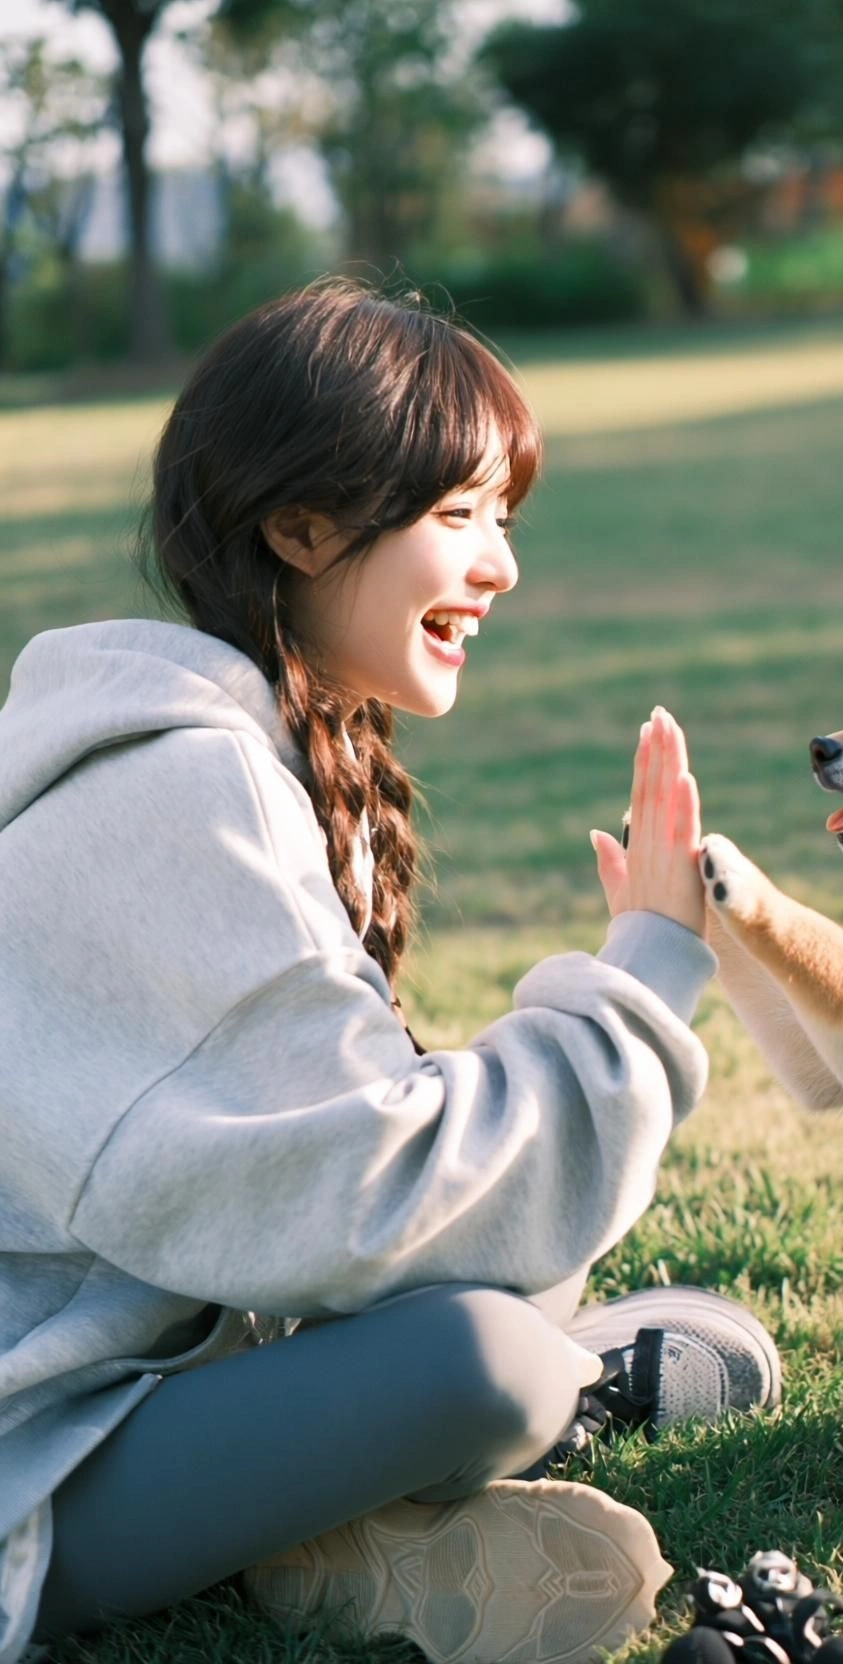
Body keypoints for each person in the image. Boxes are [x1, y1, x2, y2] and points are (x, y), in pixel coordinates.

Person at [0, 280, 782, 1664]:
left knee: (504, 1290)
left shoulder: (253, 754)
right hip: (34, 1467)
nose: (503, 568)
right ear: (301, 527)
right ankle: (473, 1453)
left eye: (504, 520)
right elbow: (382, 1206)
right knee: (497, 1362)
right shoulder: (180, 790)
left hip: (153, 1371)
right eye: (459, 517)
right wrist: (645, 976)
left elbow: (353, 1195)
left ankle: (344, 1522)